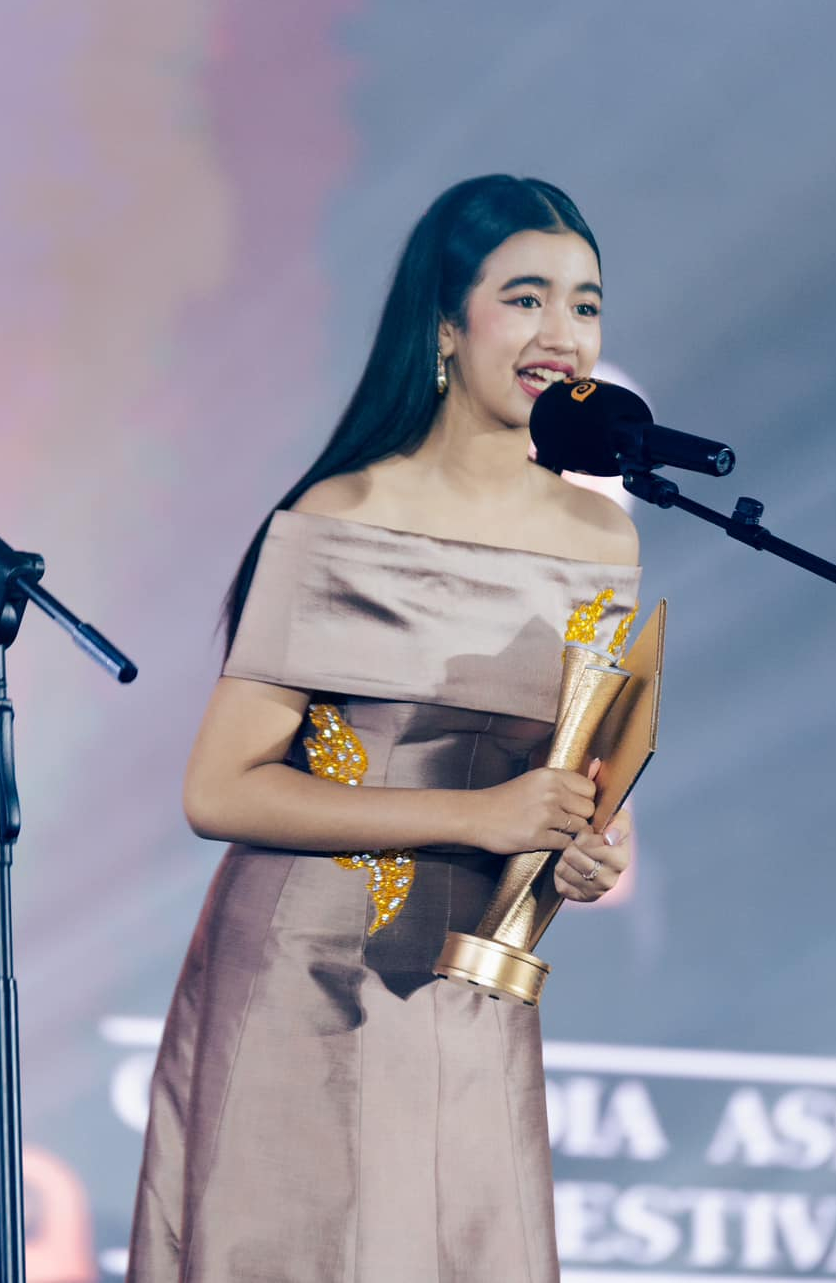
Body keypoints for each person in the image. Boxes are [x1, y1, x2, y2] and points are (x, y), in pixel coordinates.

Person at [127, 176, 642, 1283]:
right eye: (525, 298)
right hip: (310, 971)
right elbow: (219, 787)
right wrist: (482, 813)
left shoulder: (602, 538)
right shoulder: (339, 518)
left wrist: (591, 845)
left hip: (469, 983)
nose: (562, 333)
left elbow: (585, 772)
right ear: (446, 326)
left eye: (586, 304)